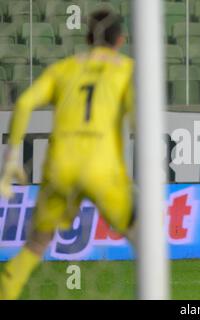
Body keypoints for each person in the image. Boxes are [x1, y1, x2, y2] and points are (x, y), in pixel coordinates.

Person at [0, 10, 136, 299]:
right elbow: (139, 119)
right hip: (103, 169)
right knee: (145, 240)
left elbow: (24, 103)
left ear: (88, 37)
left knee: (36, 245)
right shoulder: (127, 69)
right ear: (121, 40)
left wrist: (11, 157)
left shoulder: (64, 69)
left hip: (60, 167)